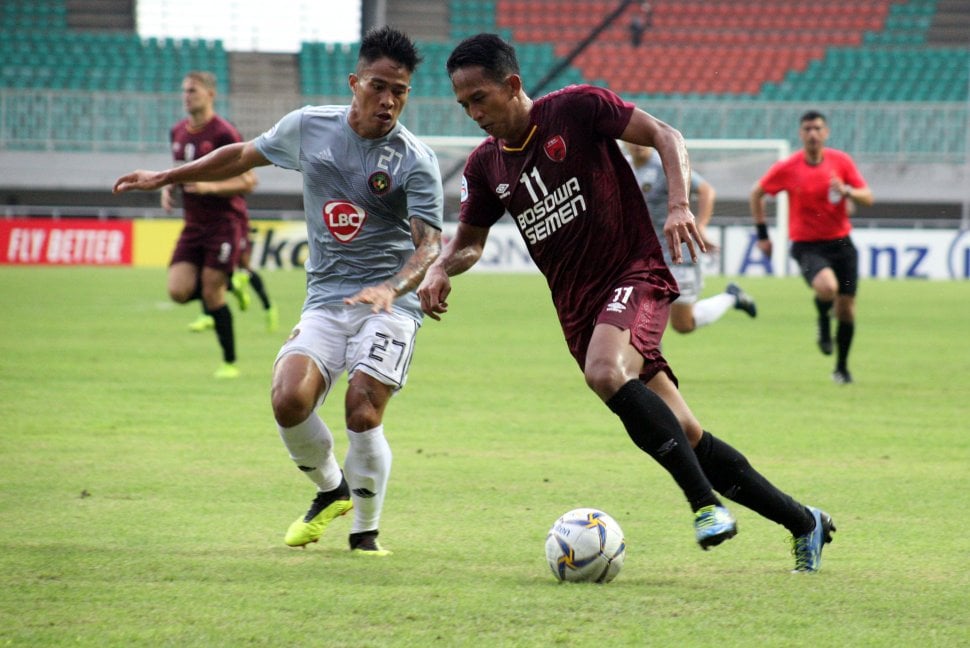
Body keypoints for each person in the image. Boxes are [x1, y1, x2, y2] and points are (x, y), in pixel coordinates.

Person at [417, 33, 834, 572]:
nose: (473, 113)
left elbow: (665, 133)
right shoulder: (486, 167)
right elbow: (470, 243)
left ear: (512, 85)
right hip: (578, 310)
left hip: (634, 274)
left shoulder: (577, 108)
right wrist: (439, 266)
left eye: (480, 99)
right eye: (464, 104)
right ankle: (806, 522)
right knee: (684, 432)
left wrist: (679, 205)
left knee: (605, 372)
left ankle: (705, 505)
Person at [115, 27, 444, 555]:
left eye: (400, 91)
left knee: (362, 407)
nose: (388, 101)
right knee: (288, 398)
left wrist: (394, 287)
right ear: (354, 82)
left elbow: (429, 247)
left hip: (391, 304)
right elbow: (242, 155)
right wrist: (167, 177)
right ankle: (331, 490)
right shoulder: (309, 127)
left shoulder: (414, 160)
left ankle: (365, 534)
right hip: (327, 297)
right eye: (378, 86)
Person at [750, 110, 873, 385]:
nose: (813, 134)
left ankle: (841, 367)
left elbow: (868, 196)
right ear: (800, 134)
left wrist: (848, 192)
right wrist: (762, 234)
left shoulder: (841, 162)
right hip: (807, 246)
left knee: (847, 308)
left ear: (826, 132)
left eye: (817, 128)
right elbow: (756, 193)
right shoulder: (789, 166)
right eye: (807, 129)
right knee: (827, 288)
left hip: (842, 244)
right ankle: (822, 319)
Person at [160, 70, 257, 378]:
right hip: (193, 225)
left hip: (223, 223)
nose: (187, 96)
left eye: (193, 91)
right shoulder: (177, 131)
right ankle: (231, 282)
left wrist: (209, 187)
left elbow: (249, 179)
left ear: (210, 95)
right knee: (178, 290)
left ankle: (229, 362)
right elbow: (178, 170)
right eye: (185, 91)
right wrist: (167, 186)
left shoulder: (224, 132)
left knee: (211, 293)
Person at [627, 143, 756, 334]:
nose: (637, 145)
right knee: (638, 313)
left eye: (640, 141)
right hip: (645, 256)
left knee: (683, 324)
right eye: (632, 141)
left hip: (679, 254)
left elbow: (706, 190)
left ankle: (731, 297)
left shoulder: (664, 165)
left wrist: (701, 225)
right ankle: (646, 359)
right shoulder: (624, 166)